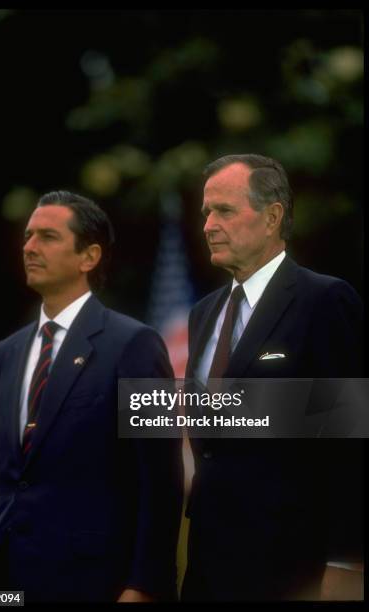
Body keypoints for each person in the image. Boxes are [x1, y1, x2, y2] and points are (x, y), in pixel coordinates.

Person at [0, 191, 183, 603]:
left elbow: (160, 479)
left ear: (88, 257)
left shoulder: (135, 344)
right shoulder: (8, 352)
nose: (30, 247)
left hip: (95, 582)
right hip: (6, 580)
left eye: (48, 237)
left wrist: (144, 585)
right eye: (28, 236)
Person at [181, 155, 363, 601]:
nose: (208, 225)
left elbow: (350, 443)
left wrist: (346, 562)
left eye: (224, 210)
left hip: (291, 567)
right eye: (207, 212)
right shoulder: (204, 313)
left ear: (272, 217)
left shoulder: (324, 300)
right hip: (209, 564)